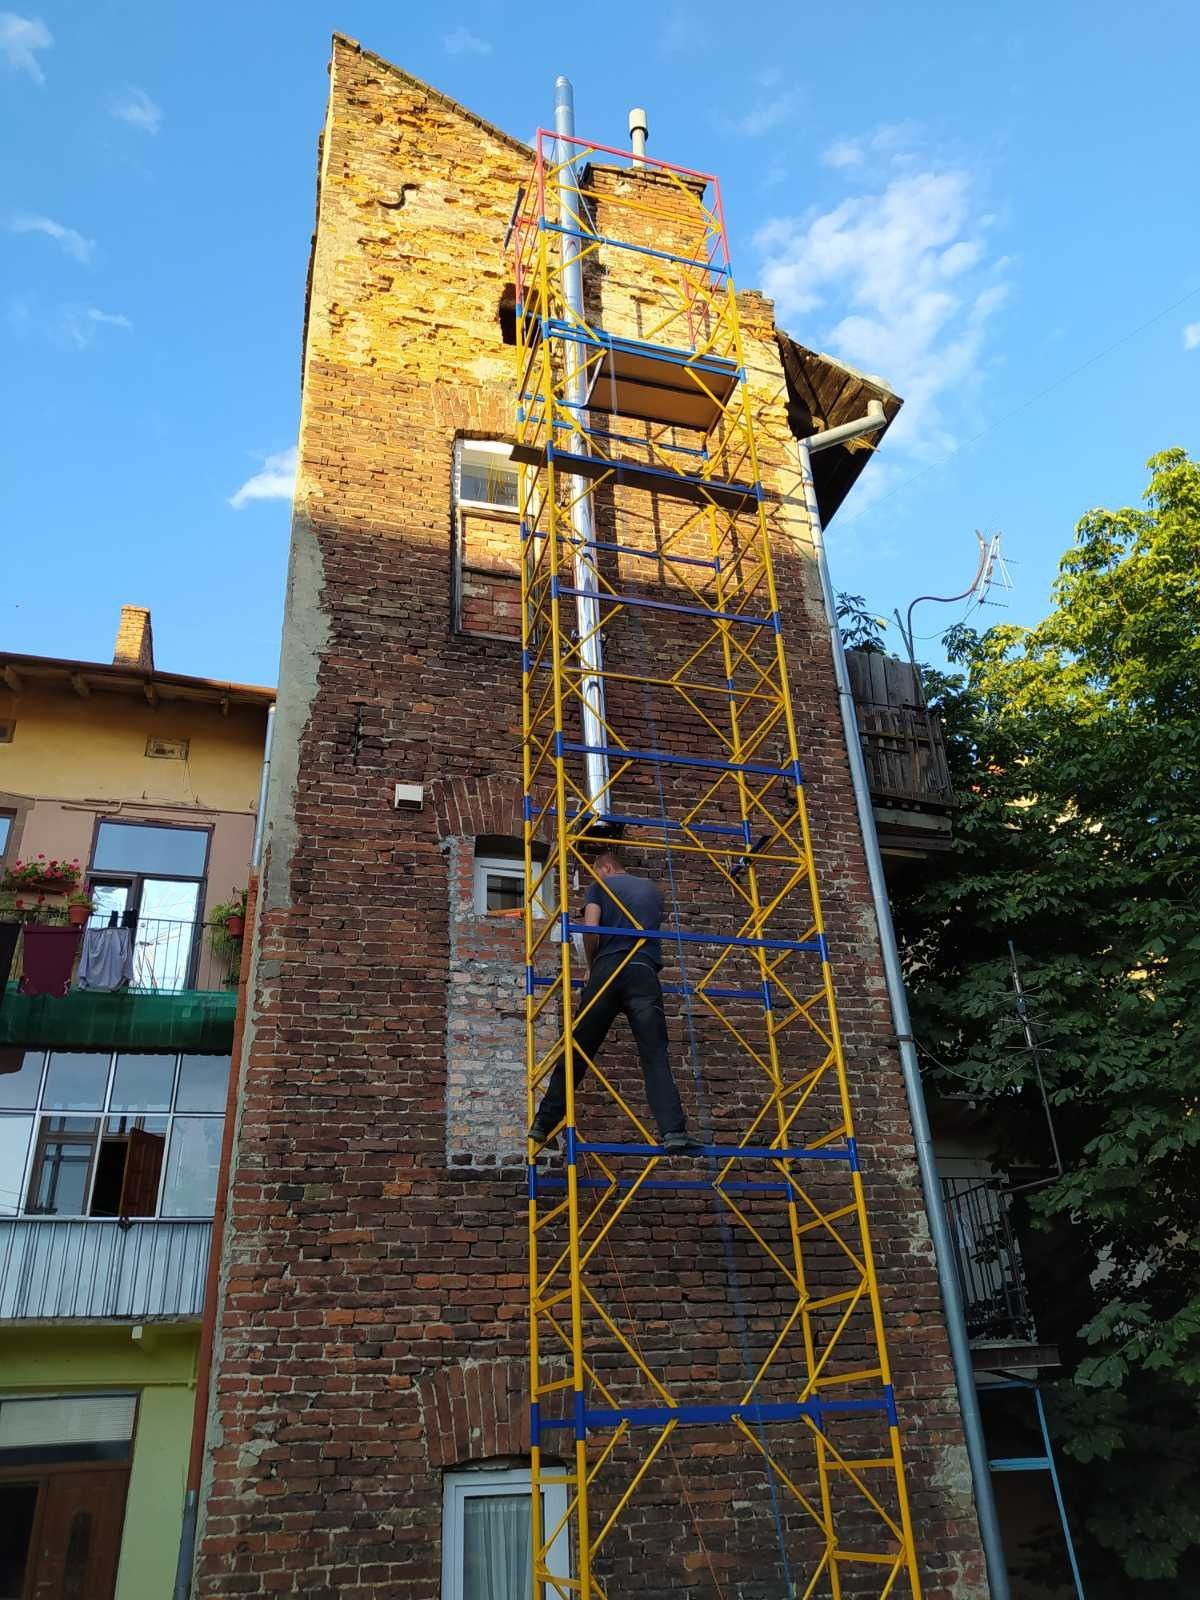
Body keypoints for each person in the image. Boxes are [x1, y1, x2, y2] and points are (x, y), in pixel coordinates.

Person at [529, 849, 703, 1154]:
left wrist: (591, 967)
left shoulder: (600, 884)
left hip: (608, 968)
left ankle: (543, 1123)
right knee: (654, 1054)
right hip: (643, 970)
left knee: (578, 1050)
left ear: (605, 867)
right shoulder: (652, 891)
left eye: (596, 871)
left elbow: (592, 928)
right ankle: (673, 1131)